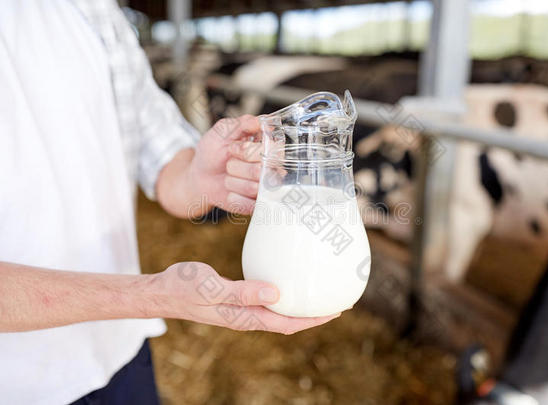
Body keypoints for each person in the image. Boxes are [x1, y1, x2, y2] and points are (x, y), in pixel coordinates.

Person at [0, 1, 340, 404]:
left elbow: (162, 159)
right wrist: (151, 296)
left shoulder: (92, 9)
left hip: (119, 348)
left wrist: (200, 176)